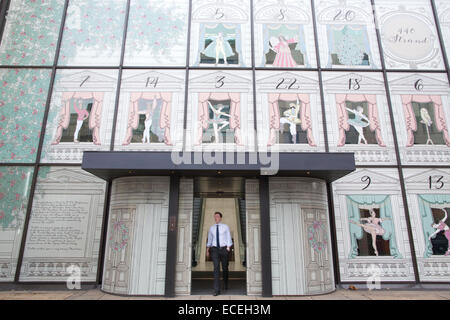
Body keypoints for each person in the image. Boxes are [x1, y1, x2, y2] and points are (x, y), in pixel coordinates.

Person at [206, 211, 233, 296]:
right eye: (215, 216)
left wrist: (228, 247)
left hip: (224, 249)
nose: (216, 218)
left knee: (225, 268)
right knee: (216, 268)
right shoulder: (212, 228)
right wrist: (207, 249)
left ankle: (225, 283)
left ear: (220, 218)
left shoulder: (225, 227)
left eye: (217, 216)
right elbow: (210, 239)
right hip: (214, 250)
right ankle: (216, 290)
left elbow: (228, 237)